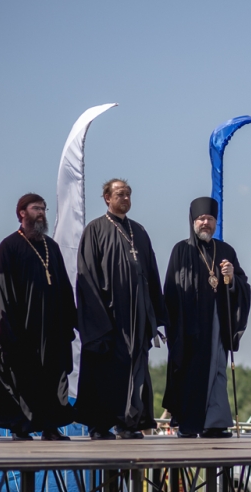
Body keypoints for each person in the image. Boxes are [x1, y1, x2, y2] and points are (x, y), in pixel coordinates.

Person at [75, 179, 167, 440]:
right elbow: (86, 276)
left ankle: (128, 424)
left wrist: (156, 315)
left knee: (134, 371)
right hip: (108, 318)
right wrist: (97, 319)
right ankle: (100, 426)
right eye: (120, 194)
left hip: (137, 317)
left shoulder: (139, 231)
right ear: (107, 197)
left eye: (128, 194)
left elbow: (152, 273)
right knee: (107, 373)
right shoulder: (95, 230)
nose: (125, 198)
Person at [0, 193, 77, 441]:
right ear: (22, 213)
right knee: (22, 378)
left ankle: (50, 427)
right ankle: (21, 427)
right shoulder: (8, 247)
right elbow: (0, 290)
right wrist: (5, 327)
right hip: (22, 328)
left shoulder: (51, 247)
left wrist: (71, 320)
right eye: (36, 208)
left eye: (44, 208)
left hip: (51, 328)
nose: (42, 213)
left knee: (53, 377)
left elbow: (64, 287)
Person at [163, 197, 251, 438]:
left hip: (216, 321)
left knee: (217, 369)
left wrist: (231, 277)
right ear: (193, 221)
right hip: (188, 326)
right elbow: (171, 289)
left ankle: (215, 422)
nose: (206, 223)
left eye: (210, 219)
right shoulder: (181, 250)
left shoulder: (225, 251)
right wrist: (173, 325)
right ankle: (188, 424)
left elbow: (242, 285)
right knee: (190, 373)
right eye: (201, 219)